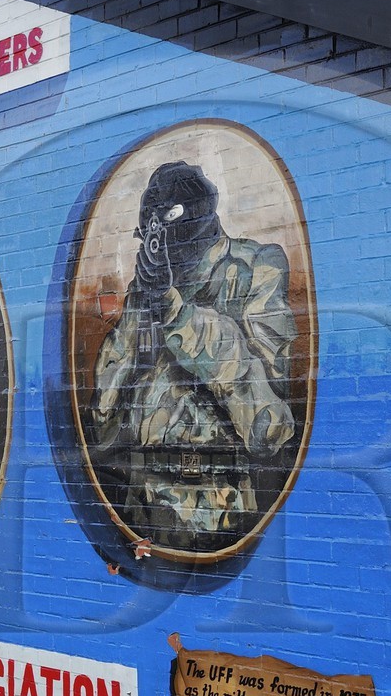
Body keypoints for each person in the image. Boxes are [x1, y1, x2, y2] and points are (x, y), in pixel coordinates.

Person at [91, 161, 296, 552]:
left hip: (216, 505)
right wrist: (142, 307)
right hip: (143, 505)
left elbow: (268, 423)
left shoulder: (255, 268)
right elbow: (104, 414)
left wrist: (175, 313)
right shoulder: (152, 282)